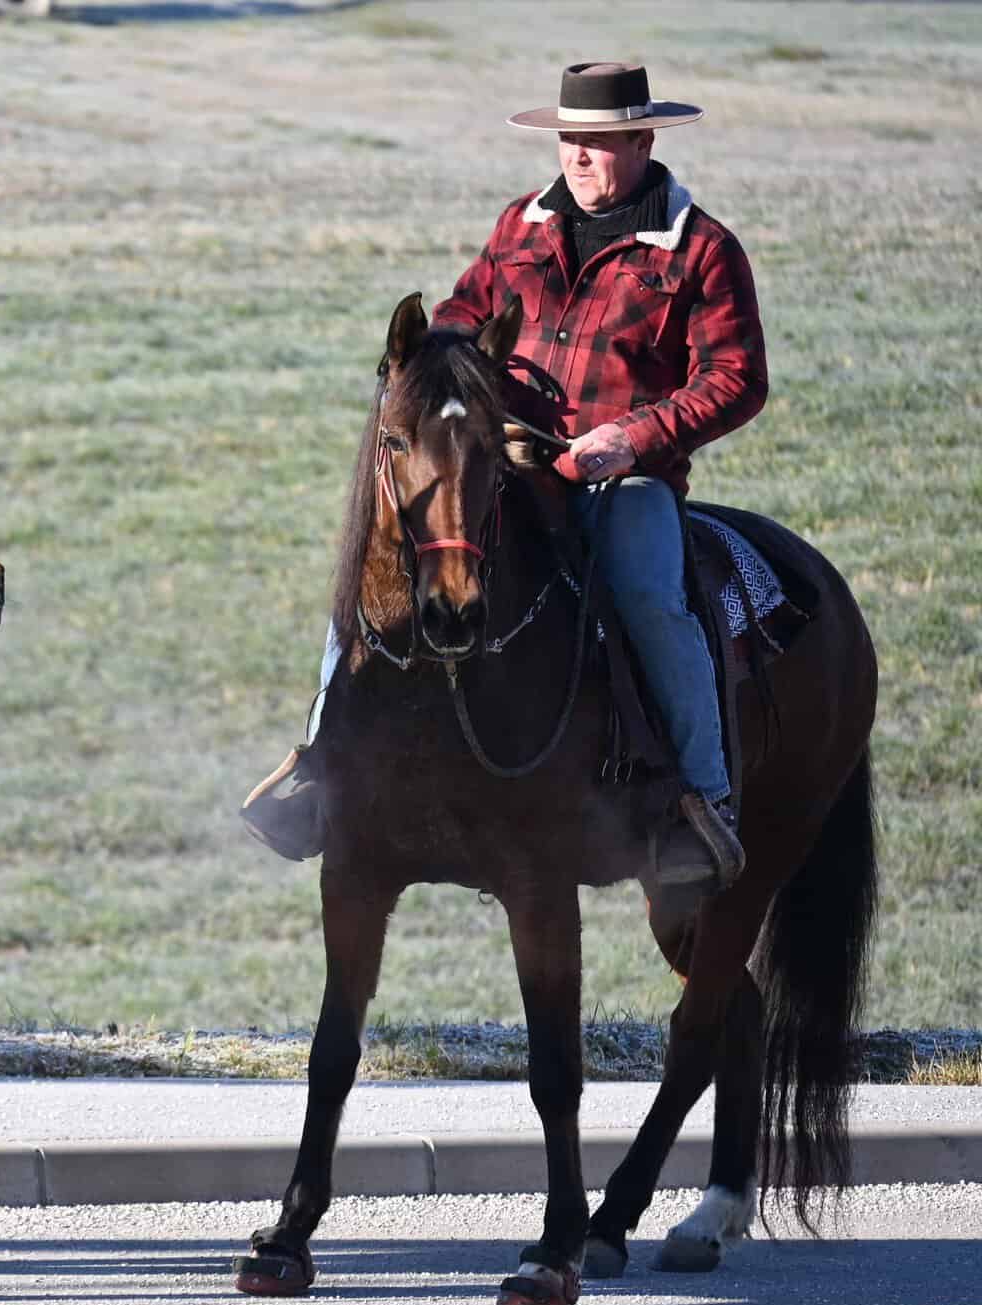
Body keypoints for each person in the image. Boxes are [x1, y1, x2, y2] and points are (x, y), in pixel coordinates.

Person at [242, 62, 767, 890]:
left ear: (643, 139)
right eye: (568, 141)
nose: (578, 158)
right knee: (382, 566)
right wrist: (435, 370)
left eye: (596, 143)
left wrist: (632, 437)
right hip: (505, 461)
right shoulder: (521, 226)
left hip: (621, 476)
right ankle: (320, 766)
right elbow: (460, 314)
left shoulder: (701, 249)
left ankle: (702, 797)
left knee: (648, 592)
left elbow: (736, 379)